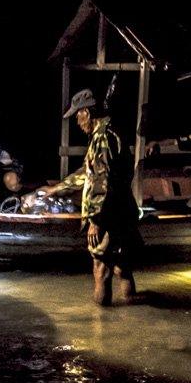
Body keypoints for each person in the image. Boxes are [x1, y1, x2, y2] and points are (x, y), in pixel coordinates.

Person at [25, 88, 142, 306]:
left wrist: (95, 221)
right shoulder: (110, 133)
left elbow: (102, 181)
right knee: (122, 266)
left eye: (78, 116)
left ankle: (99, 327)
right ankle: (133, 307)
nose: (77, 122)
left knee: (101, 269)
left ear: (86, 113)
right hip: (124, 212)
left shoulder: (102, 139)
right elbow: (88, 172)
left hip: (108, 216)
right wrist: (57, 188)